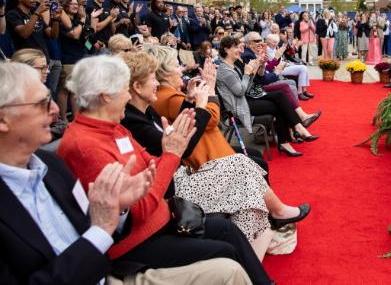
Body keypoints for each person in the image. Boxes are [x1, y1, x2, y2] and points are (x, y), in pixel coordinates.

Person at [58, 55, 274, 284]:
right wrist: (172, 154)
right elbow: (140, 209)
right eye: (124, 90)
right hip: (137, 243)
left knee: (224, 228)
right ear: (105, 96)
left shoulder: (113, 129)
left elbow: (152, 165)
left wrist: (168, 154)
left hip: (161, 219)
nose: (128, 96)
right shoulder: (84, 145)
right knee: (224, 251)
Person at [120, 51, 310, 257]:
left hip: (185, 170)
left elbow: (176, 134)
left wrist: (193, 101)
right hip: (179, 181)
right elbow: (208, 122)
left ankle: (254, 248)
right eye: (152, 78)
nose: (182, 69)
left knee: (246, 170)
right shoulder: (147, 109)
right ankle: (269, 225)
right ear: (137, 87)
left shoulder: (146, 110)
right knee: (243, 165)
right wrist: (206, 96)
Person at [216, 36, 318, 157]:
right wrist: (248, 74)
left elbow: (251, 85)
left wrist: (259, 65)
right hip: (239, 108)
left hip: (248, 99)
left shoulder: (233, 65)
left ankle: (294, 132)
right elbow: (240, 92)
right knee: (279, 104)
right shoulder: (224, 70)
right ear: (226, 50)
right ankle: (293, 133)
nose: (239, 50)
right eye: (236, 47)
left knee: (280, 96)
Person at [264, 33, 314, 100]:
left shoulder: (274, 48)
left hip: (283, 65)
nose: (275, 44)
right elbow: (274, 63)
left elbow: (286, 56)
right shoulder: (267, 50)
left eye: (276, 42)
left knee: (303, 67)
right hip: (277, 69)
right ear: (268, 41)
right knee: (302, 68)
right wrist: (282, 54)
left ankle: (304, 90)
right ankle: (300, 92)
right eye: (274, 42)